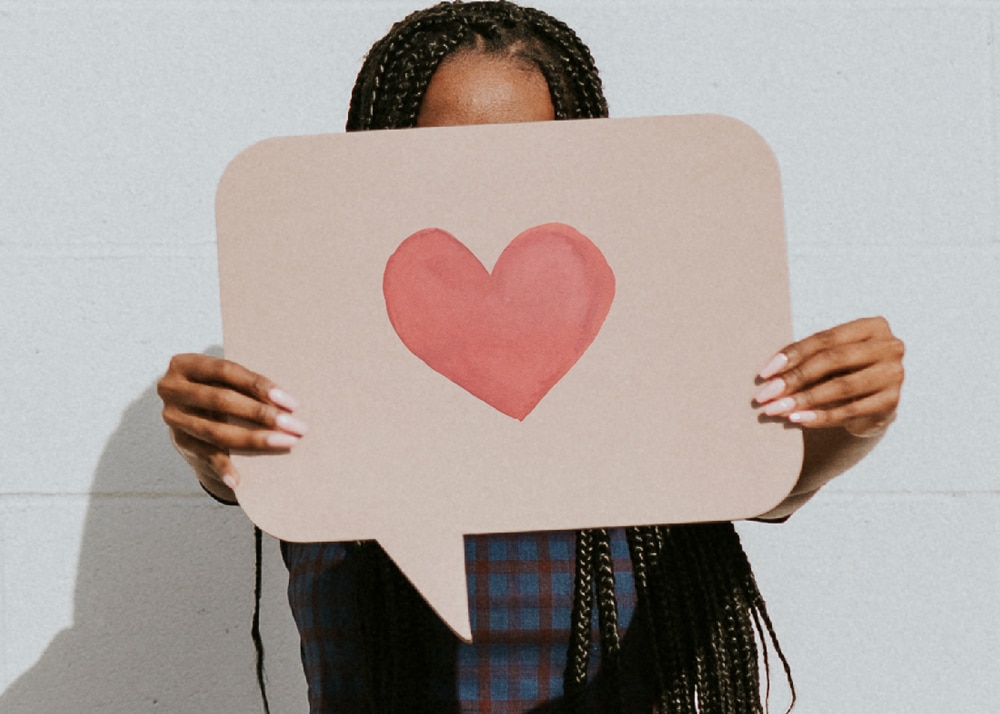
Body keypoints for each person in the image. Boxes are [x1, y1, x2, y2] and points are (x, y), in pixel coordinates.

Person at [157, 2, 905, 712]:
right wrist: (209, 443)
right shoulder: (319, 362)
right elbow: (241, 470)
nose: (486, 192)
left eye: (528, 157)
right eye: (438, 159)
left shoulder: (656, 356)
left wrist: (851, 420)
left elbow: (769, 482)